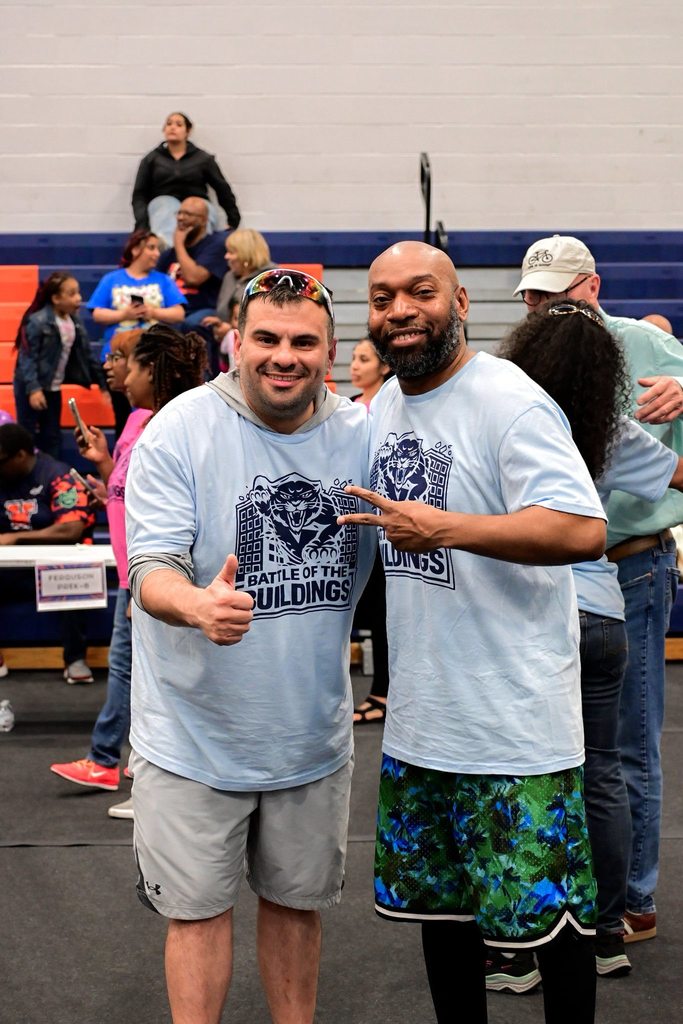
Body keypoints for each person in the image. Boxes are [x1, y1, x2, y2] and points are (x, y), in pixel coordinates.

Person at [338, 241, 607, 1024]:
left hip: (514, 728)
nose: (399, 311)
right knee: (444, 923)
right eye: (383, 297)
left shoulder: (508, 400)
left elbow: (580, 529)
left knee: (554, 932)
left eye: (420, 292)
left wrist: (447, 528)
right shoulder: (383, 407)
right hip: (424, 727)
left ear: (459, 304)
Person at [124, 268, 374, 1023]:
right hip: (193, 733)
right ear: (236, 340)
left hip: (310, 735)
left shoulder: (363, 433)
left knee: (297, 907)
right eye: (265, 338)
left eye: (303, 342)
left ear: (330, 351)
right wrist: (196, 602)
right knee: (196, 913)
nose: (283, 356)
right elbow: (149, 570)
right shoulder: (181, 428)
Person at [497, 299, 683, 984]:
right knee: (603, 770)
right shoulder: (610, 431)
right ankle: (607, 933)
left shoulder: (508, 423)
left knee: (521, 773)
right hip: (603, 607)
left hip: (531, 610)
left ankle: (520, 947)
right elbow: (677, 476)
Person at [49, 326, 208, 820]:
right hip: (131, 575)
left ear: (154, 373)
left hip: (156, 578)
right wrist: (101, 467)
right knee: (135, 677)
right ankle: (135, 773)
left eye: (132, 364)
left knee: (150, 679)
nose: (123, 374)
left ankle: (136, 773)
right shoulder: (138, 421)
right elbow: (126, 495)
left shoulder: (178, 427)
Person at [0, 422, 96, 684]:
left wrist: (17, 537)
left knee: (75, 576)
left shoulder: (57, 475)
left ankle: (75, 658)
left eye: (2, 461)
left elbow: (71, 529)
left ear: (20, 455)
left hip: (52, 569)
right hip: (8, 571)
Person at [13, 272, 107, 459]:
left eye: (78, 293)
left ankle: (53, 477)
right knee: (28, 432)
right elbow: (27, 357)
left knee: (52, 434)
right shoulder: (38, 321)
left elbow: (87, 355)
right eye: (71, 294)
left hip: (53, 386)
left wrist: (103, 385)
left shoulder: (75, 322)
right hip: (30, 385)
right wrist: (34, 389)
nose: (79, 298)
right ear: (56, 298)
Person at [349, 338, 392, 724]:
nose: (355, 365)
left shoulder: (386, 410)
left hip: (383, 525)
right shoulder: (349, 407)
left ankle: (382, 692)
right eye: (352, 358)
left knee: (382, 614)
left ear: (383, 366)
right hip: (356, 525)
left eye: (364, 359)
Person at [131, 111, 240, 247]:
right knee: (166, 207)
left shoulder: (203, 158)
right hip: (164, 204)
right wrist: (142, 225)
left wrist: (233, 220)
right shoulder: (151, 159)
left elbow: (222, 188)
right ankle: (170, 255)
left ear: (187, 131)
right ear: (164, 129)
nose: (172, 127)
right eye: (169, 124)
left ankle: (201, 253)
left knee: (197, 208)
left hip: (197, 202)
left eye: (178, 124)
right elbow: (139, 194)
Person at [88, 230, 186, 356]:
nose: (157, 254)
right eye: (151, 248)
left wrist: (152, 312)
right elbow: (97, 314)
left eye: (158, 249)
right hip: (117, 351)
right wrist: (124, 314)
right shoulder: (111, 279)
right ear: (135, 250)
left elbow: (179, 313)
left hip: (153, 352)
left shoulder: (164, 280)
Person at [156, 196, 228, 335]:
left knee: (191, 324)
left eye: (188, 214)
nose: (181, 218)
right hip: (173, 309)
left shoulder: (214, 246)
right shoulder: (168, 255)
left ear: (203, 220)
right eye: (179, 213)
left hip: (202, 309)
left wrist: (178, 244)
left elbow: (193, 278)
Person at [201, 228, 276, 349]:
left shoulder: (271, 278)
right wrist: (220, 324)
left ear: (245, 254)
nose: (226, 256)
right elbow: (223, 312)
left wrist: (231, 330)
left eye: (231, 252)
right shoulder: (229, 276)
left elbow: (270, 320)